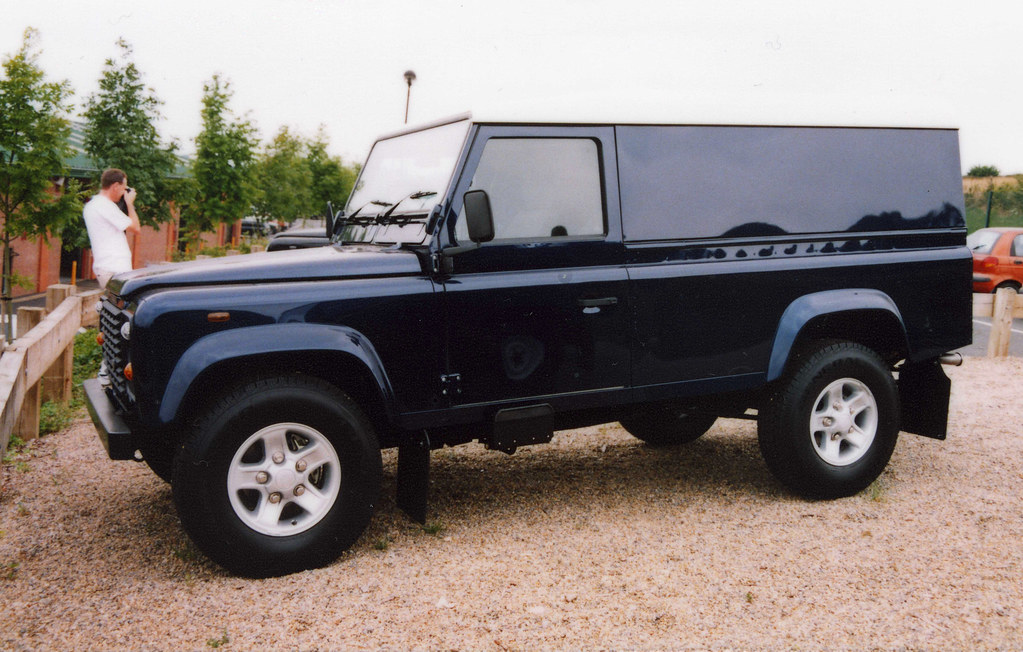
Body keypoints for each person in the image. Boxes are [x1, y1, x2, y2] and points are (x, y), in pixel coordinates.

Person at [83, 168, 141, 287]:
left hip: (108, 267)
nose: (124, 192)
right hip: (114, 269)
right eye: (124, 188)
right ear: (115, 186)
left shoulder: (93, 205)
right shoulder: (105, 205)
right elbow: (136, 228)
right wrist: (130, 203)